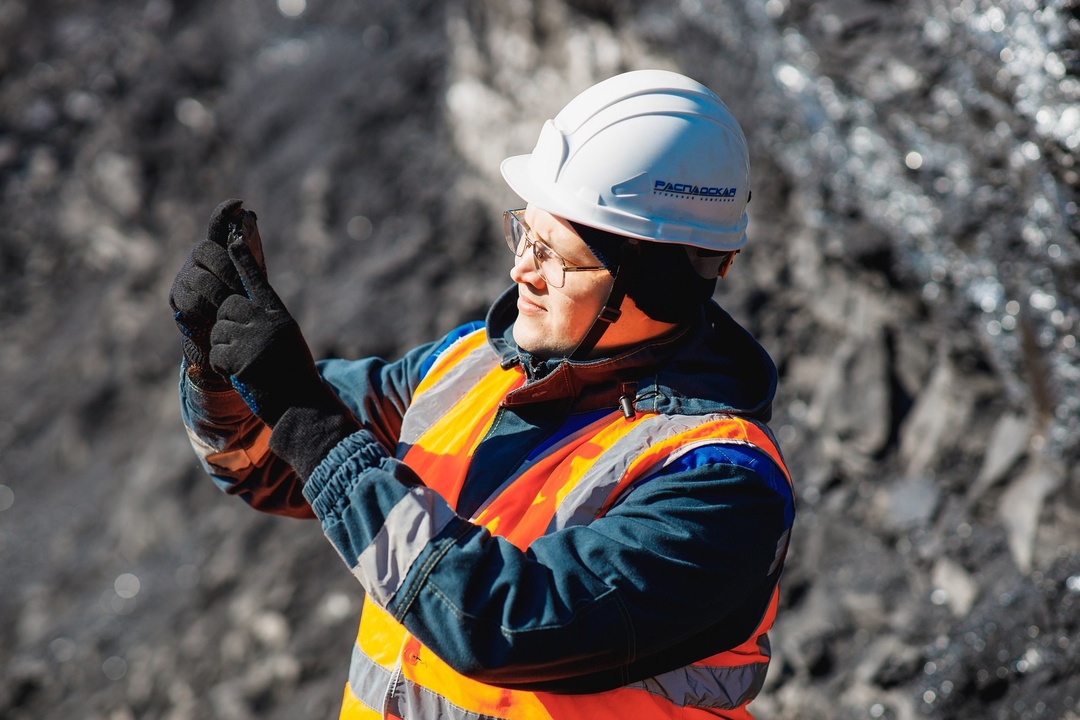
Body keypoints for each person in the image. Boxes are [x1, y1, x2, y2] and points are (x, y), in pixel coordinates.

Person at [171, 69, 796, 720]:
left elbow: (506, 623)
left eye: (556, 255)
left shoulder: (722, 483)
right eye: (524, 232)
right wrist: (220, 378)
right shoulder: (467, 367)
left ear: (659, 283)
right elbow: (271, 469)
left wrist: (305, 413)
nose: (520, 268)